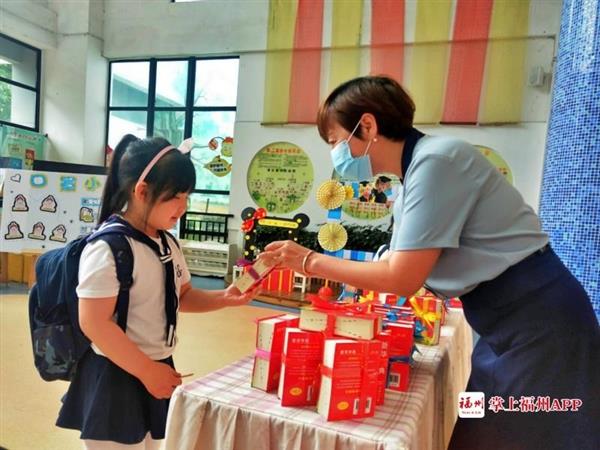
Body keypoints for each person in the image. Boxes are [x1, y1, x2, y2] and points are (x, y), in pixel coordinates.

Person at [260, 76, 600, 450]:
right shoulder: (411, 178)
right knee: (477, 429)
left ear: (368, 126)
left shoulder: (438, 161)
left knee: (513, 436)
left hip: (538, 324)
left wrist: (309, 261)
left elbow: (402, 276)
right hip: (500, 322)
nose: (336, 153)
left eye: (336, 141)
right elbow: (398, 259)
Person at [56, 135, 257, 449]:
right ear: (142, 191)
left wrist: (225, 297)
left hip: (157, 367)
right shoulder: (109, 248)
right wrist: (147, 370)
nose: (183, 206)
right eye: (175, 196)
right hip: (116, 375)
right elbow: (94, 323)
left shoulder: (167, 243)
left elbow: (182, 295)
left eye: (187, 195)